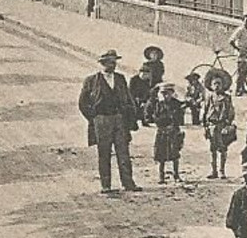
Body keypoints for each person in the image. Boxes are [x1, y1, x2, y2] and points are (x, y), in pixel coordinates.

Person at [77, 49, 141, 195]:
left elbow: (128, 98)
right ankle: (106, 185)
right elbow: (82, 103)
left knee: (123, 152)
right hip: (102, 120)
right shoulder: (91, 80)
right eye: (109, 62)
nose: (112, 65)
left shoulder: (120, 79)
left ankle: (128, 183)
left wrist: (130, 117)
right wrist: (94, 118)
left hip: (119, 119)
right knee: (104, 153)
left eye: (114, 62)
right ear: (102, 63)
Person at [201, 73, 237, 179]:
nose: (217, 86)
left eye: (219, 84)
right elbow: (205, 112)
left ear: (223, 85)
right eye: (214, 84)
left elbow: (231, 112)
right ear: (211, 86)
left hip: (222, 126)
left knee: (223, 149)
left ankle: (222, 170)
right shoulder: (209, 97)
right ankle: (214, 171)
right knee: (212, 149)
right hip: (212, 126)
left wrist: (228, 124)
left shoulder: (226, 98)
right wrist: (205, 126)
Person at [151, 82, 186, 183]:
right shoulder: (159, 105)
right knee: (160, 155)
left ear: (172, 93)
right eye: (163, 93)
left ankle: (176, 175)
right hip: (162, 131)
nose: (165, 96)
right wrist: (161, 123)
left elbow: (179, 118)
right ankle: (161, 176)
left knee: (175, 154)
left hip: (174, 131)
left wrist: (174, 124)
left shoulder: (177, 104)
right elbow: (155, 117)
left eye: (167, 93)